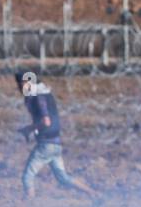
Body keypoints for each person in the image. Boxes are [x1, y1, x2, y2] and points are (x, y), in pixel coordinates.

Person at [17, 70, 96, 198]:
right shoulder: (44, 94)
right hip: (56, 144)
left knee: (27, 177)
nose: (20, 88)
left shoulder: (38, 97)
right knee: (63, 178)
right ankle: (94, 194)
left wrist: (29, 128)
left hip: (46, 145)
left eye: (22, 84)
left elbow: (46, 121)